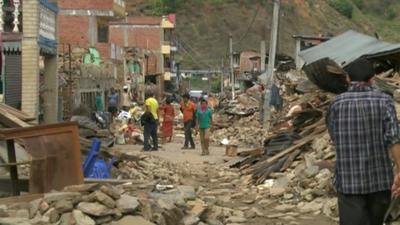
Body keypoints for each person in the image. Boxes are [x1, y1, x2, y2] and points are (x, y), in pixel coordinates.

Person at [326, 58, 400, 225]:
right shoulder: (385, 101)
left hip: (348, 180)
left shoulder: (335, 104)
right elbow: (394, 139)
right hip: (380, 180)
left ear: (348, 78)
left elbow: (334, 137)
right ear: (372, 79)